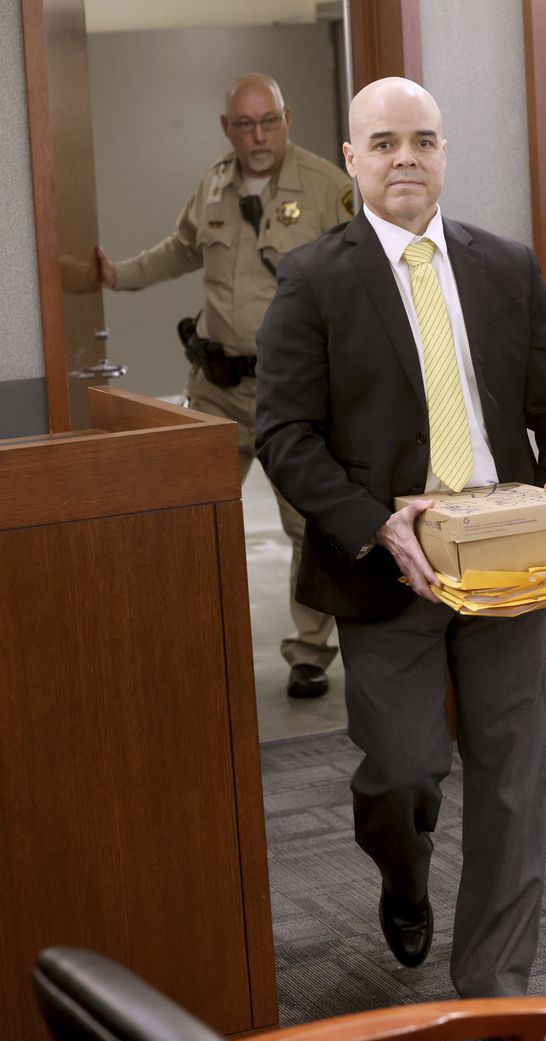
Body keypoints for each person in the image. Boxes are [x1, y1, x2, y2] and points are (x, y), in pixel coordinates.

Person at [255, 76, 546, 999]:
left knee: (514, 779)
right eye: (386, 142)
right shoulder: (314, 277)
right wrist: (376, 525)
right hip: (388, 568)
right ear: (355, 158)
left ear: (443, 154)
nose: (406, 156)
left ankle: (496, 986)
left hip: (505, 557)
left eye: (424, 140)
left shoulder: (505, 266)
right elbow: (282, 434)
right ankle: (402, 875)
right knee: (403, 772)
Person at [96, 73, 353, 699]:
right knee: (186, 517)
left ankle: (310, 653)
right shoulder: (213, 184)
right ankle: (189, 644)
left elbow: (360, 277)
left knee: (306, 525)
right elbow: (180, 249)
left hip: (294, 397)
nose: (258, 135)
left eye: (268, 121)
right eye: (245, 124)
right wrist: (114, 276)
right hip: (215, 388)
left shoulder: (327, 189)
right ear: (227, 129)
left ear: (286, 117)